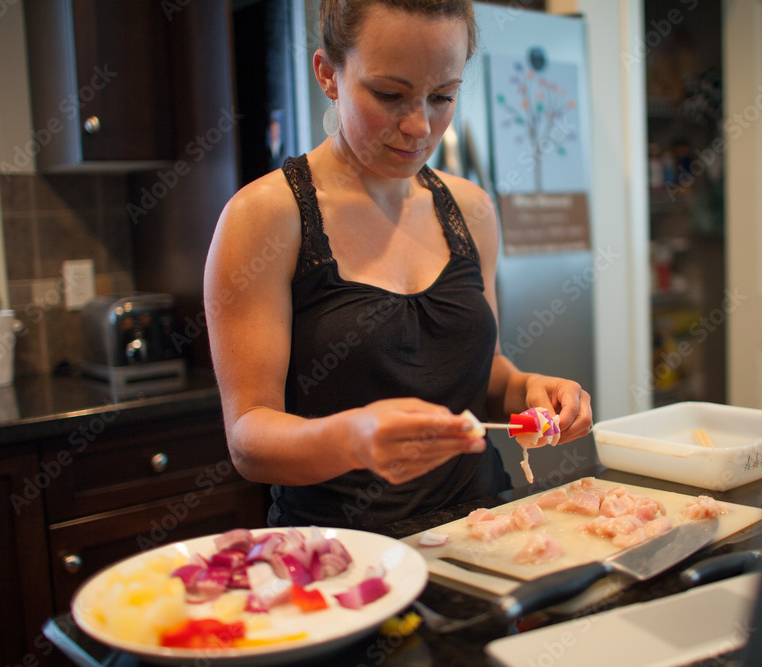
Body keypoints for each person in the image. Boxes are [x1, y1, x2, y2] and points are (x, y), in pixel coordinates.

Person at [204, 0, 593, 531]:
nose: (419, 126)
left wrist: (527, 389)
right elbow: (249, 439)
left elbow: (484, 375)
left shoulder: (471, 210)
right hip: (342, 553)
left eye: (443, 96)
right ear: (328, 74)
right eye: (389, 95)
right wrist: (351, 439)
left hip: (482, 531)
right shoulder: (264, 217)